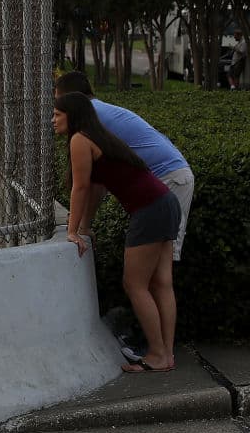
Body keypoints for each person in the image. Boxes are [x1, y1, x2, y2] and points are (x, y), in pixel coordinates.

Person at [54, 92, 181, 373]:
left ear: (72, 115)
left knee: (134, 284)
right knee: (161, 283)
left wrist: (72, 231)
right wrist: (84, 226)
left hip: (150, 209)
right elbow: (96, 187)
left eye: (57, 114)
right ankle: (166, 355)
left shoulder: (79, 139)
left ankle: (158, 354)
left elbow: (81, 187)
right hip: (165, 201)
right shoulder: (98, 136)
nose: (53, 120)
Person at [53, 72, 193, 264]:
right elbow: (98, 180)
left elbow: (86, 185)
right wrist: (84, 226)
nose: (54, 114)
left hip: (168, 180)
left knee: (157, 267)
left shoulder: (89, 123)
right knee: (157, 269)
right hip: (170, 178)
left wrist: (78, 228)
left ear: (72, 100)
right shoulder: (97, 113)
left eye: (58, 104)